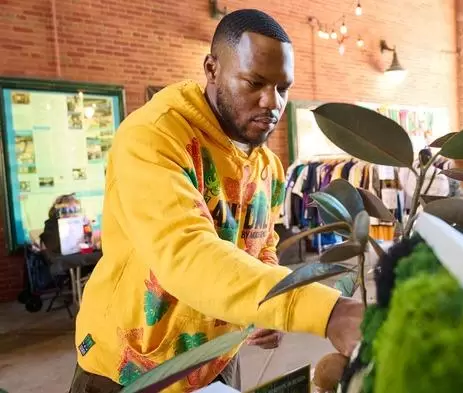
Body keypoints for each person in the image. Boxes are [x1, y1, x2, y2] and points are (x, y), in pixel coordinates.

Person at [70, 9, 362, 393]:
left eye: (282, 88)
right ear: (212, 68)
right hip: (131, 370)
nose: (271, 102)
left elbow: (262, 246)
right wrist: (328, 312)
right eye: (254, 82)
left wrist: (268, 309)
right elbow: (187, 253)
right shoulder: (153, 136)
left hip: (218, 360)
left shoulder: (266, 165)